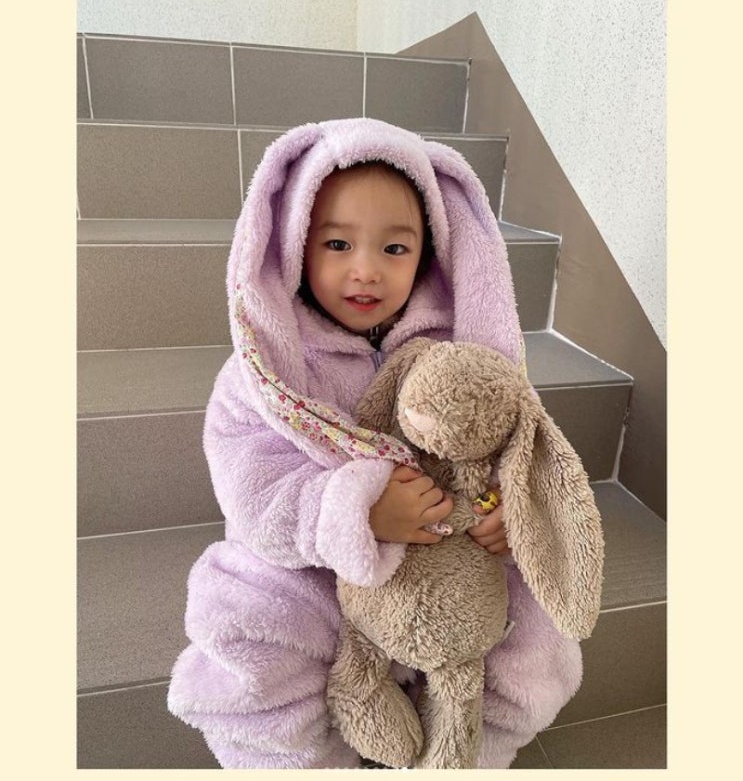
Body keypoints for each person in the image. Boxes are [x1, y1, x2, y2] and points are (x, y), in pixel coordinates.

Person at [167, 118, 582, 769]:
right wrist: (356, 510)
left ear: (428, 254)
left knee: (540, 636)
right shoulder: (265, 370)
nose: (365, 270)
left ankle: (469, 751)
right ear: (294, 246)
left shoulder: (463, 350)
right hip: (318, 567)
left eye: (394, 248)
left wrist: (509, 510)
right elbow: (250, 487)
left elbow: (515, 445)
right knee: (244, 629)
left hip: (455, 565)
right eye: (336, 243)